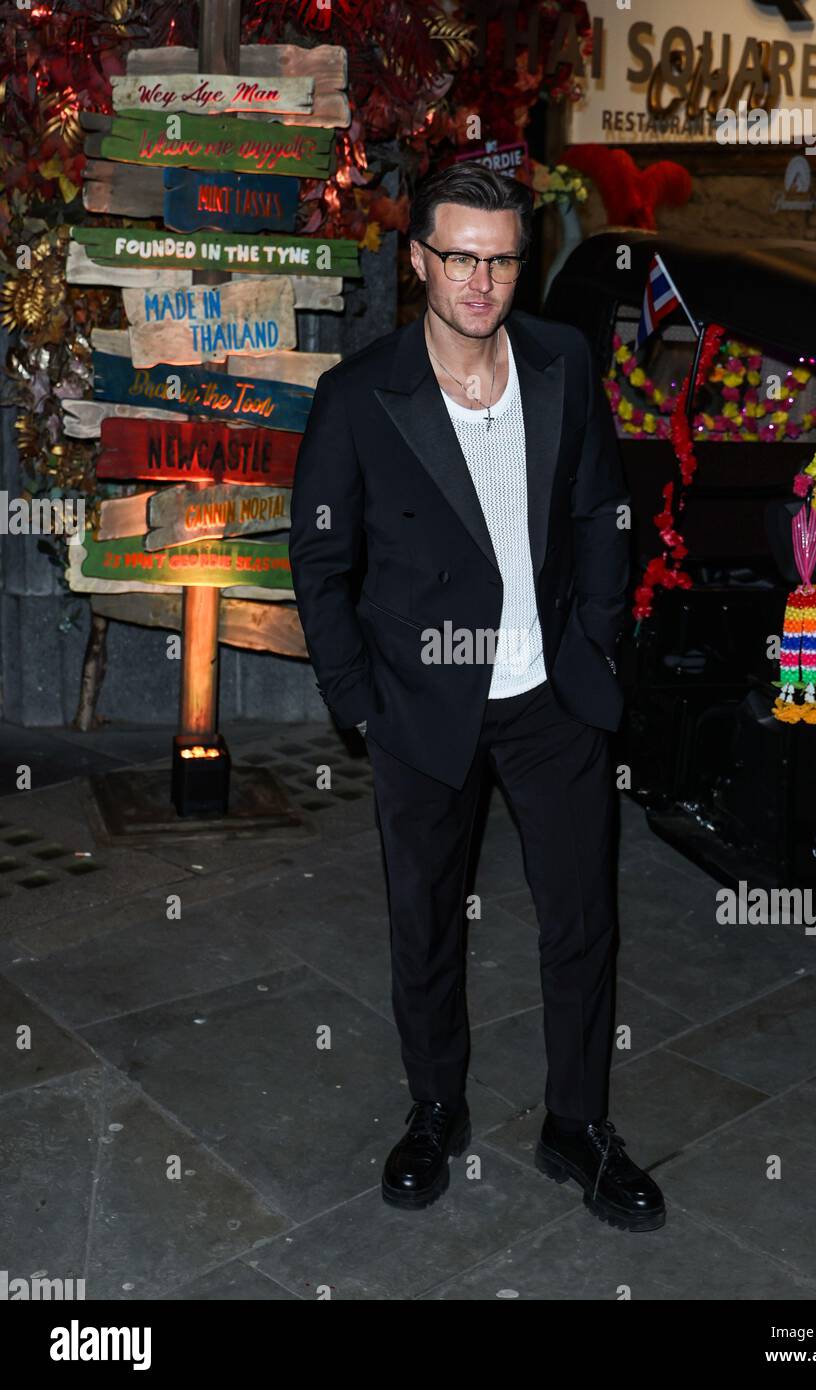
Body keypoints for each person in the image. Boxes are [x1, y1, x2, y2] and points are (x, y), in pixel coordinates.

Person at [289, 162, 665, 1233]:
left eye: (501, 259)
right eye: (458, 256)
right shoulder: (360, 396)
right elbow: (319, 563)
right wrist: (357, 702)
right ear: (417, 261)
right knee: (424, 926)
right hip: (420, 709)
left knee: (582, 921)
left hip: (551, 693)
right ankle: (434, 1109)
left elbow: (600, 508)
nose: (481, 281)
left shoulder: (560, 361)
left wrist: (598, 635)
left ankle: (575, 1125)